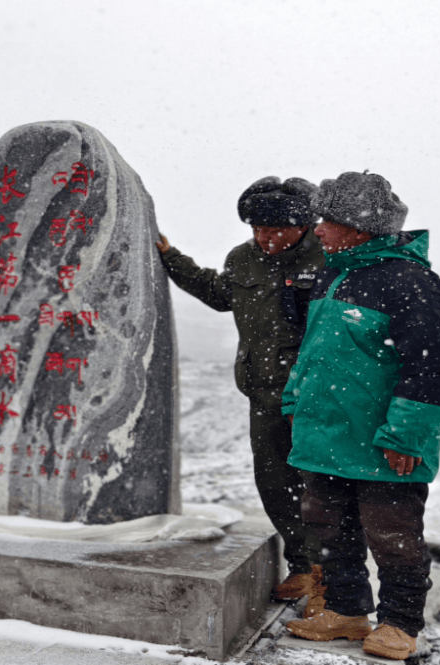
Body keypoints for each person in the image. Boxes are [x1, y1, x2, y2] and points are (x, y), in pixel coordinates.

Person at [282, 172, 440, 660]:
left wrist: (405, 436)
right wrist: (295, 404)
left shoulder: (410, 281)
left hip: (383, 441)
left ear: (359, 228)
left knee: (394, 534)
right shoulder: (332, 273)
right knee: (328, 525)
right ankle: (346, 611)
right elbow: (311, 353)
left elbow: (432, 366)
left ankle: (400, 624)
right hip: (326, 435)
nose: (317, 229)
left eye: (328, 220)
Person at [156, 176, 324, 603]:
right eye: (257, 230)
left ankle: (333, 579)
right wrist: (171, 258)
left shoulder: (327, 259)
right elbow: (218, 293)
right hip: (264, 391)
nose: (264, 239)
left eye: (275, 231)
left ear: (302, 225)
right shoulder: (244, 259)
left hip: (318, 396)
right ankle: (304, 567)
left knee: (323, 486)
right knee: (275, 481)